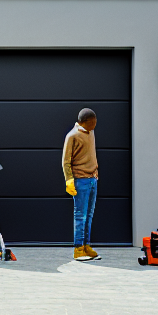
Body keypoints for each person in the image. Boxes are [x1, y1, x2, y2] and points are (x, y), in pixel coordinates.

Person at [63, 108, 100, 262]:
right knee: (80, 215)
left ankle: (86, 245)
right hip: (80, 180)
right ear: (84, 122)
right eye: (92, 123)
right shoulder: (72, 136)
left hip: (92, 179)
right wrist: (69, 180)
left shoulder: (91, 132)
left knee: (89, 215)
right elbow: (66, 161)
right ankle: (78, 249)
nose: (95, 125)